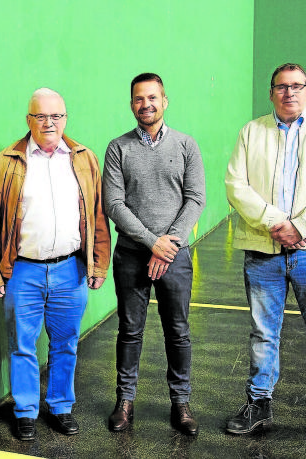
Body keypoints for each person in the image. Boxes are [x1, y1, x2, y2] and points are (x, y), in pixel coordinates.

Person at [224, 63, 306, 452]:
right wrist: (274, 221)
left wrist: (302, 226)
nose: (289, 93)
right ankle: (259, 404)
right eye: (282, 87)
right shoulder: (252, 132)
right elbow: (236, 184)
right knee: (263, 333)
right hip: (263, 249)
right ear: (271, 93)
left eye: (297, 86)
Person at [0, 88, 111, 441]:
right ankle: (24, 412)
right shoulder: (5, 163)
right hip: (23, 271)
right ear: (28, 120)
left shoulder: (84, 159)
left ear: (65, 119)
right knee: (22, 344)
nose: (49, 123)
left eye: (56, 116)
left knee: (66, 343)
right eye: (41, 116)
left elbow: (97, 217)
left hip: (72, 270)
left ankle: (61, 407)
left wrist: (97, 265)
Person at [103, 73, 205, 436]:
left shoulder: (186, 145)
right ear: (131, 104)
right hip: (131, 256)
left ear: (164, 100)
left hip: (175, 256)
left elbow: (195, 199)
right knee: (130, 330)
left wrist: (169, 244)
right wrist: (151, 242)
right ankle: (124, 401)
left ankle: (181, 403)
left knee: (177, 331)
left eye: (152, 98)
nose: (145, 104)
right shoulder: (118, 148)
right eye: (138, 99)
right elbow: (114, 203)